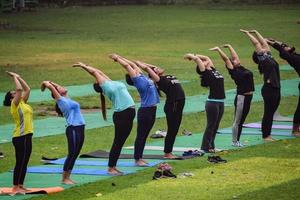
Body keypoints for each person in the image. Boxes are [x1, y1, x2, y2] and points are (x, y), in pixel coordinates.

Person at [73, 62, 135, 175]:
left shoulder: (111, 83)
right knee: (118, 142)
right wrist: (83, 66)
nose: (101, 76)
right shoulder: (106, 86)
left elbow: (98, 71)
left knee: (120, 142)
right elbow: (95, 72)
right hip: (122, 115)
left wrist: (86, 65)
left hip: (128, 114)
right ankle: (111, 168)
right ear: (99, 83)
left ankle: (113, 166)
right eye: (99, 78)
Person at [110, 54, 159, 166]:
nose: (136, 70)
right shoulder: (138, 81)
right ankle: (137, 159)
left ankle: (140, 157)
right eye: (134, 71)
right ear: (133, 77)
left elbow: (132, 64)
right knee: (141, 136)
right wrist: (117, 59)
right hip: (145, 111)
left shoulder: (142, 77)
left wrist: (120, 56)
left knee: (145, 135)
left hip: (152, 110)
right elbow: (128, 66)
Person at [135, 60, 185, 159]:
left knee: (175, 129)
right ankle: (167, 153)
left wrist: (144, 63)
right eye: (156, 69)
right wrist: (138, 63)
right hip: (173, 105)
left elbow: (151, 67)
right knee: (172, 129)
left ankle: (168, 152)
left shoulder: (165, 76)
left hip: (178, 105)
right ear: (154, 74)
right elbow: (147, 69)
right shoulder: (159, 79)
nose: (157, 67)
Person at [40, 81, 85, 184]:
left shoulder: (66, 98)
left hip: (80, 128)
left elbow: (55, 86)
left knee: (75, 154)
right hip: (72, 128)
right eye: (59, 88)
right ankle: (64, 179)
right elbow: (49, 86)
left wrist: (54, 84)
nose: (62, 87)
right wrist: (45, 84)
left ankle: (68, 177)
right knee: (71, 154)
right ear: (57, 93)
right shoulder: (60, 100)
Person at [210, 45, 255, 146]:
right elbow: (226, 59)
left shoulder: (240, 67)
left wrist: (230, 46)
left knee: (242, 120)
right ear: (231, 65)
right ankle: (234, 141)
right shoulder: (234, 71)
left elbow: (235, 57)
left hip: (248, 97)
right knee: (237, 120)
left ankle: (237, 140)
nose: (236, 60)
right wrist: (218, 50)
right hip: (241, 98)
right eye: (233, 61)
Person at [241, 29, 280, 141]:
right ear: (259, 55)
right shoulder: (263, 59)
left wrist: (256, 32)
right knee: (268, 113)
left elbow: (264, 43)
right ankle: (266, 135)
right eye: (262, 50)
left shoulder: (269, 57)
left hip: (276, 87)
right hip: (269, 89)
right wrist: (248, 34)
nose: (264, 48)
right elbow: (257, 44)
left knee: (270, 113)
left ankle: (267, 132)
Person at [184, 53, 225, 153]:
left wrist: (195, 55)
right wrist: (192, 56)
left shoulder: (213, 70)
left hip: (220, 102)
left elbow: (207, 57)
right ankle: (204, 147)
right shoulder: (205, 72)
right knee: (211, 125)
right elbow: (198, 60)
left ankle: (211, 146)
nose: (205, 61)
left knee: (216, 126)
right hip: (212, 103)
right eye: (202, 63)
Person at [3, 71, 33, 194]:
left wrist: (19, 77)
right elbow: (20, 89)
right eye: (13, 93)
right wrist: (15, 77)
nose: (16, 93)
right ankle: (15, 187)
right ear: (11, 98)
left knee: (25, 161)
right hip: (20, 137)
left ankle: (20, 185)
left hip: (28, 135)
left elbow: (27, 89)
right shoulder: (14, 105)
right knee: (20, 161)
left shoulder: (23, 103)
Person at [267, 39, 300, 136]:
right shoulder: (290, 57)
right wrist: (272, 43)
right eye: (285, 47)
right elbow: (280, 48)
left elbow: (281, 45)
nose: (287, 46)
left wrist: (272, 40)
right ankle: (295, 130)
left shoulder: (295, 55)